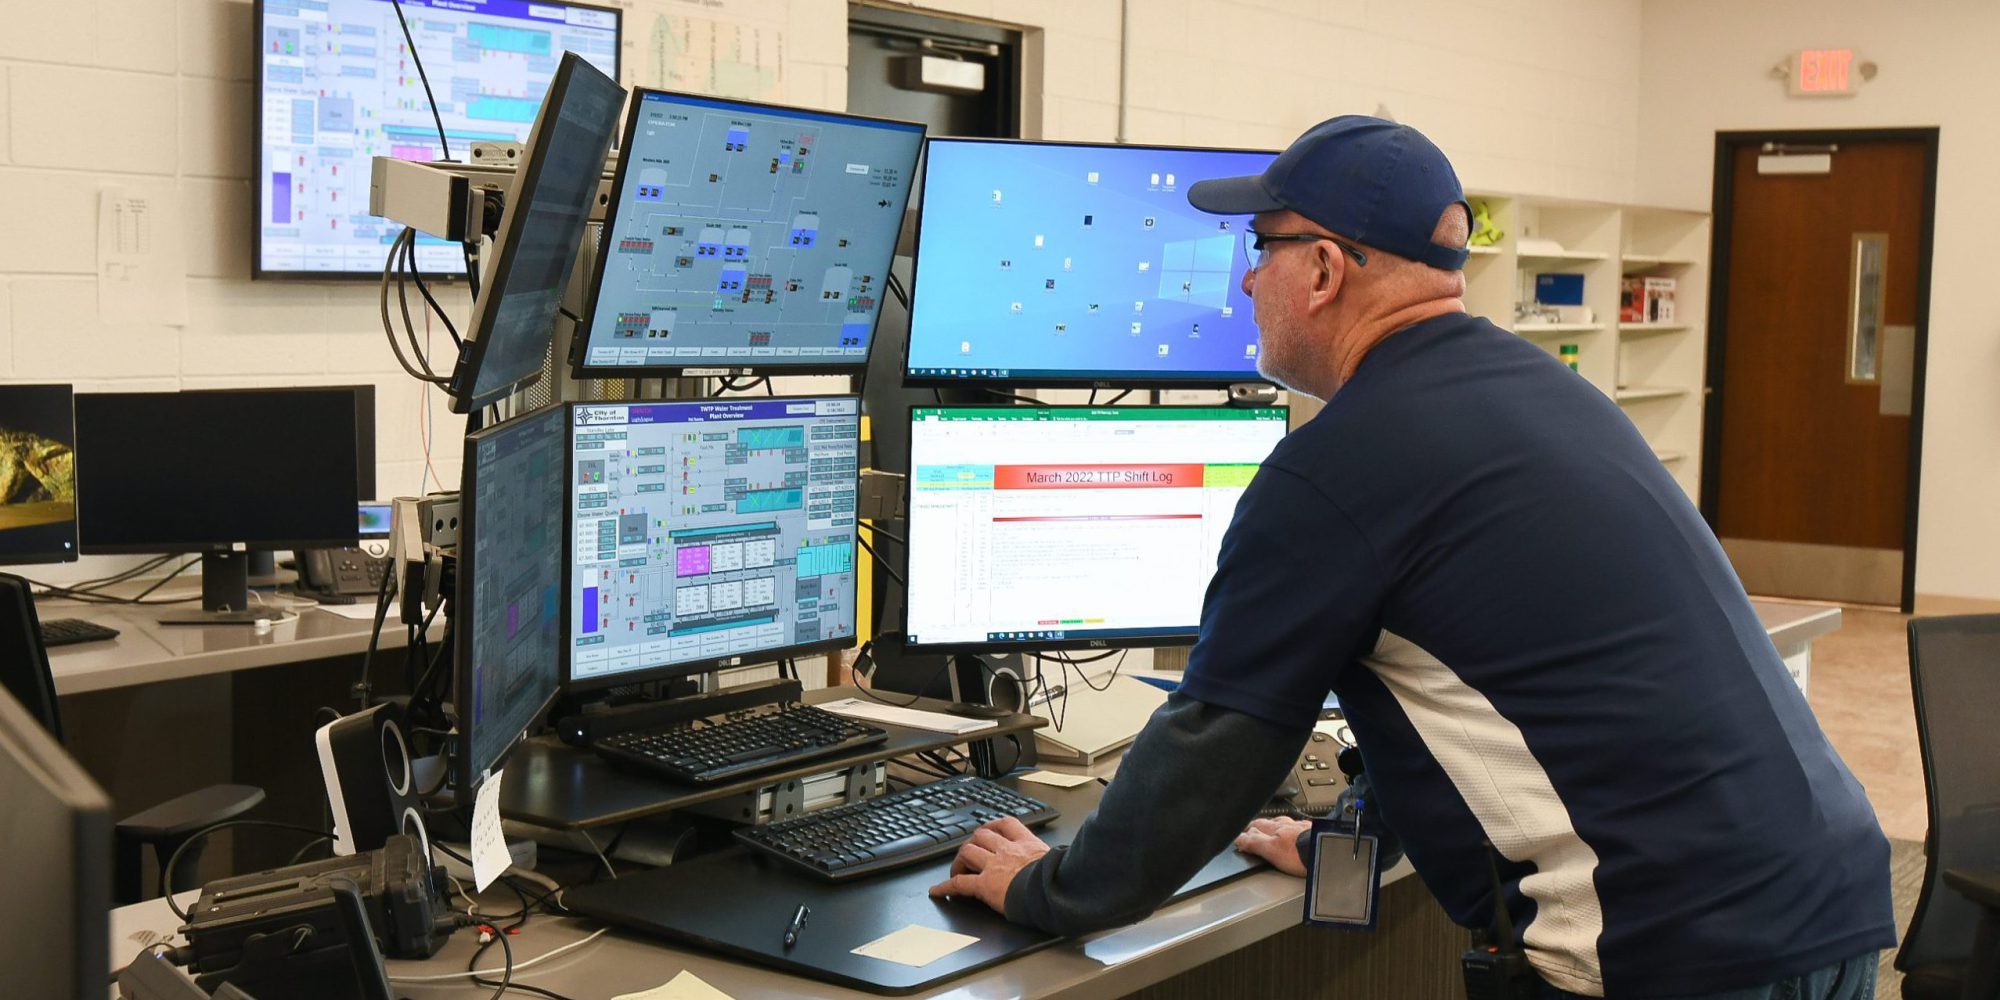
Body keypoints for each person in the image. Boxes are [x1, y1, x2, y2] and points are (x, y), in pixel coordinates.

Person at [926, 116, 1894, 1000]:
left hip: (1671, 945)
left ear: (1321, 269)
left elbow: (1215, 743)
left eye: (1257, 250)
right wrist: (1354, 837)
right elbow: (1477, 676)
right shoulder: (1545, 395)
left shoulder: (1336, 468)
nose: (1245, 281)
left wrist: (1047, 889)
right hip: (1828, 897)